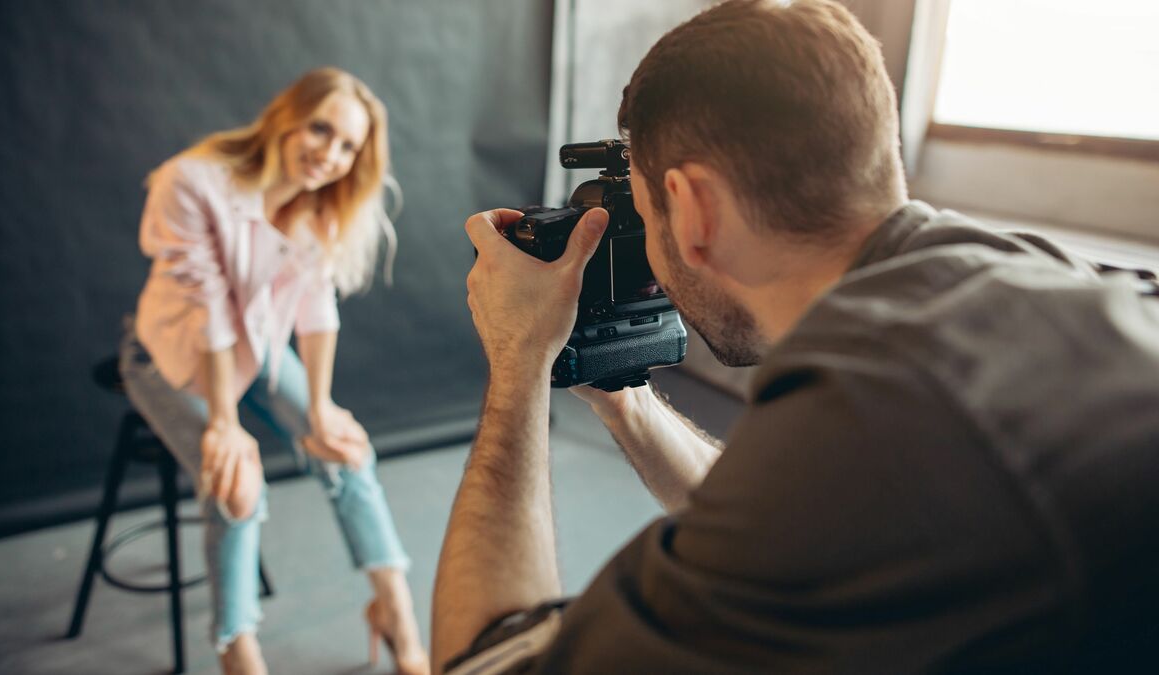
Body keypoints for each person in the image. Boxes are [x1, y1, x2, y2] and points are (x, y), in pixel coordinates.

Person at [433, 0, 1159, 672]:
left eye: (646, 215)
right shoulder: (1018, 280)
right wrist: (624, 398)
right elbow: (784, 521)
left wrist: (520, 360)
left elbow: (489, 662)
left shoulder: (879, 404)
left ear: (691, 209)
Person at [121, 67, 428, 675]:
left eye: (349, 147)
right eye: (322, 129)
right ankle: (239, 649)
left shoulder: (322, 205)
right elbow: (208, 309)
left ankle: (395, 612)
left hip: (256, 350)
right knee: (238, 485)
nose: (331, 155)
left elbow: (316, 308)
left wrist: (319, 408)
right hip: (174, 354)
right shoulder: (193, 181)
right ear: (286, 115)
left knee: (346, 448)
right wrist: (226, 425)